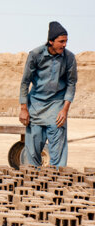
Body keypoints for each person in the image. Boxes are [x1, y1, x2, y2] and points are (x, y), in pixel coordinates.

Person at [19, 21, 77, 168]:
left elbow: (71, 84)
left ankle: (57, 186)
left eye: (66, 41)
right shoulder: (35, 55)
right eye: (61, 41)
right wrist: (23, 108)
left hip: (57, 108)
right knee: (32, 155)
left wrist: (65, 110)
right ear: (51, 41)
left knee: (58, 157)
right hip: (36, 107)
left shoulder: (69, 58)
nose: (64, 45)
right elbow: (25, 82)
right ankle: (33, 186)